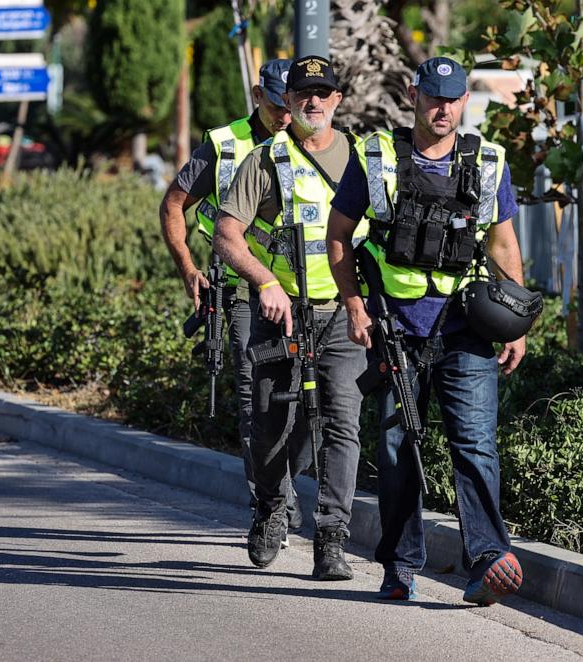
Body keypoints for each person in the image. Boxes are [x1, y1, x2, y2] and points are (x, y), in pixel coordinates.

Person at [326, 56, 527, 604]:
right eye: (433, 97)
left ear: (465, 100)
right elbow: (338, 234)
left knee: (477, 447)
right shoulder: (378, 157)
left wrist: (517, 321)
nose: (443, 108)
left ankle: (487, 559)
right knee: (396, 451)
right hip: (396, 330)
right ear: (414, 96)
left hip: (466, 327)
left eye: (453, 98)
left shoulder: (487, 163)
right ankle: (399, 567)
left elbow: (503, 243)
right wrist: (354, 305)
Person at [213, 55, 369, 580]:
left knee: (341, 424)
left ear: (337, 100)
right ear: (289, 100)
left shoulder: (362, 159)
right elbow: (226, 236)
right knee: (271, 427)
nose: (314, 102)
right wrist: (266, 281)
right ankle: (272, 508)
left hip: (342, 315)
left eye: (323, 93)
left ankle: (331, 539)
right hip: (279, 317)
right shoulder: (265, 159)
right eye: (304, 93)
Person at [159, 59, 306, 537]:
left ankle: (283, 482)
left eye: (292, 105)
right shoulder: (224, 145)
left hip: (306, 289)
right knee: (253, 396)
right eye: (277, 104)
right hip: (242, 286)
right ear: (258, 96)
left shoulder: (313, 142)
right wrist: (188, 268)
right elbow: (174, 204)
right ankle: (272, 503)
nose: (286, 114)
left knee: (313, 402)